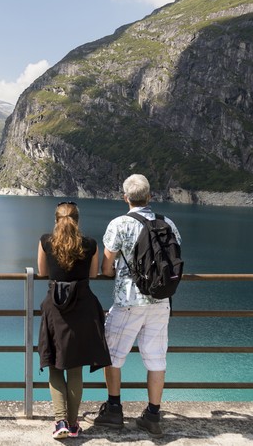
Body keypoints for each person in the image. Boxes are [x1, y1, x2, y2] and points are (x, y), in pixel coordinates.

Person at [84, 174, 181, 438]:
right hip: (161, 301)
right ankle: (152, 414)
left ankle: (114, 409)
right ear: (149, 196)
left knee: (113, 355)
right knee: (156, 358)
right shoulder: (167, 222)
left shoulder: (119, 224)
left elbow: (106, 266)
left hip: (128, 301)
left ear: (125, 198)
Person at [37, 201, 112, 440]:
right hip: (82, 308)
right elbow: (92, 274)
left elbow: (41, 272)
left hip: (55, 309)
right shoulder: (89, 244)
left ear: (56, 219)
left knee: (54, 364)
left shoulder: (45, 241)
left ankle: (59, 422)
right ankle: (72, 424)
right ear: (77, 220)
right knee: (75, 367)